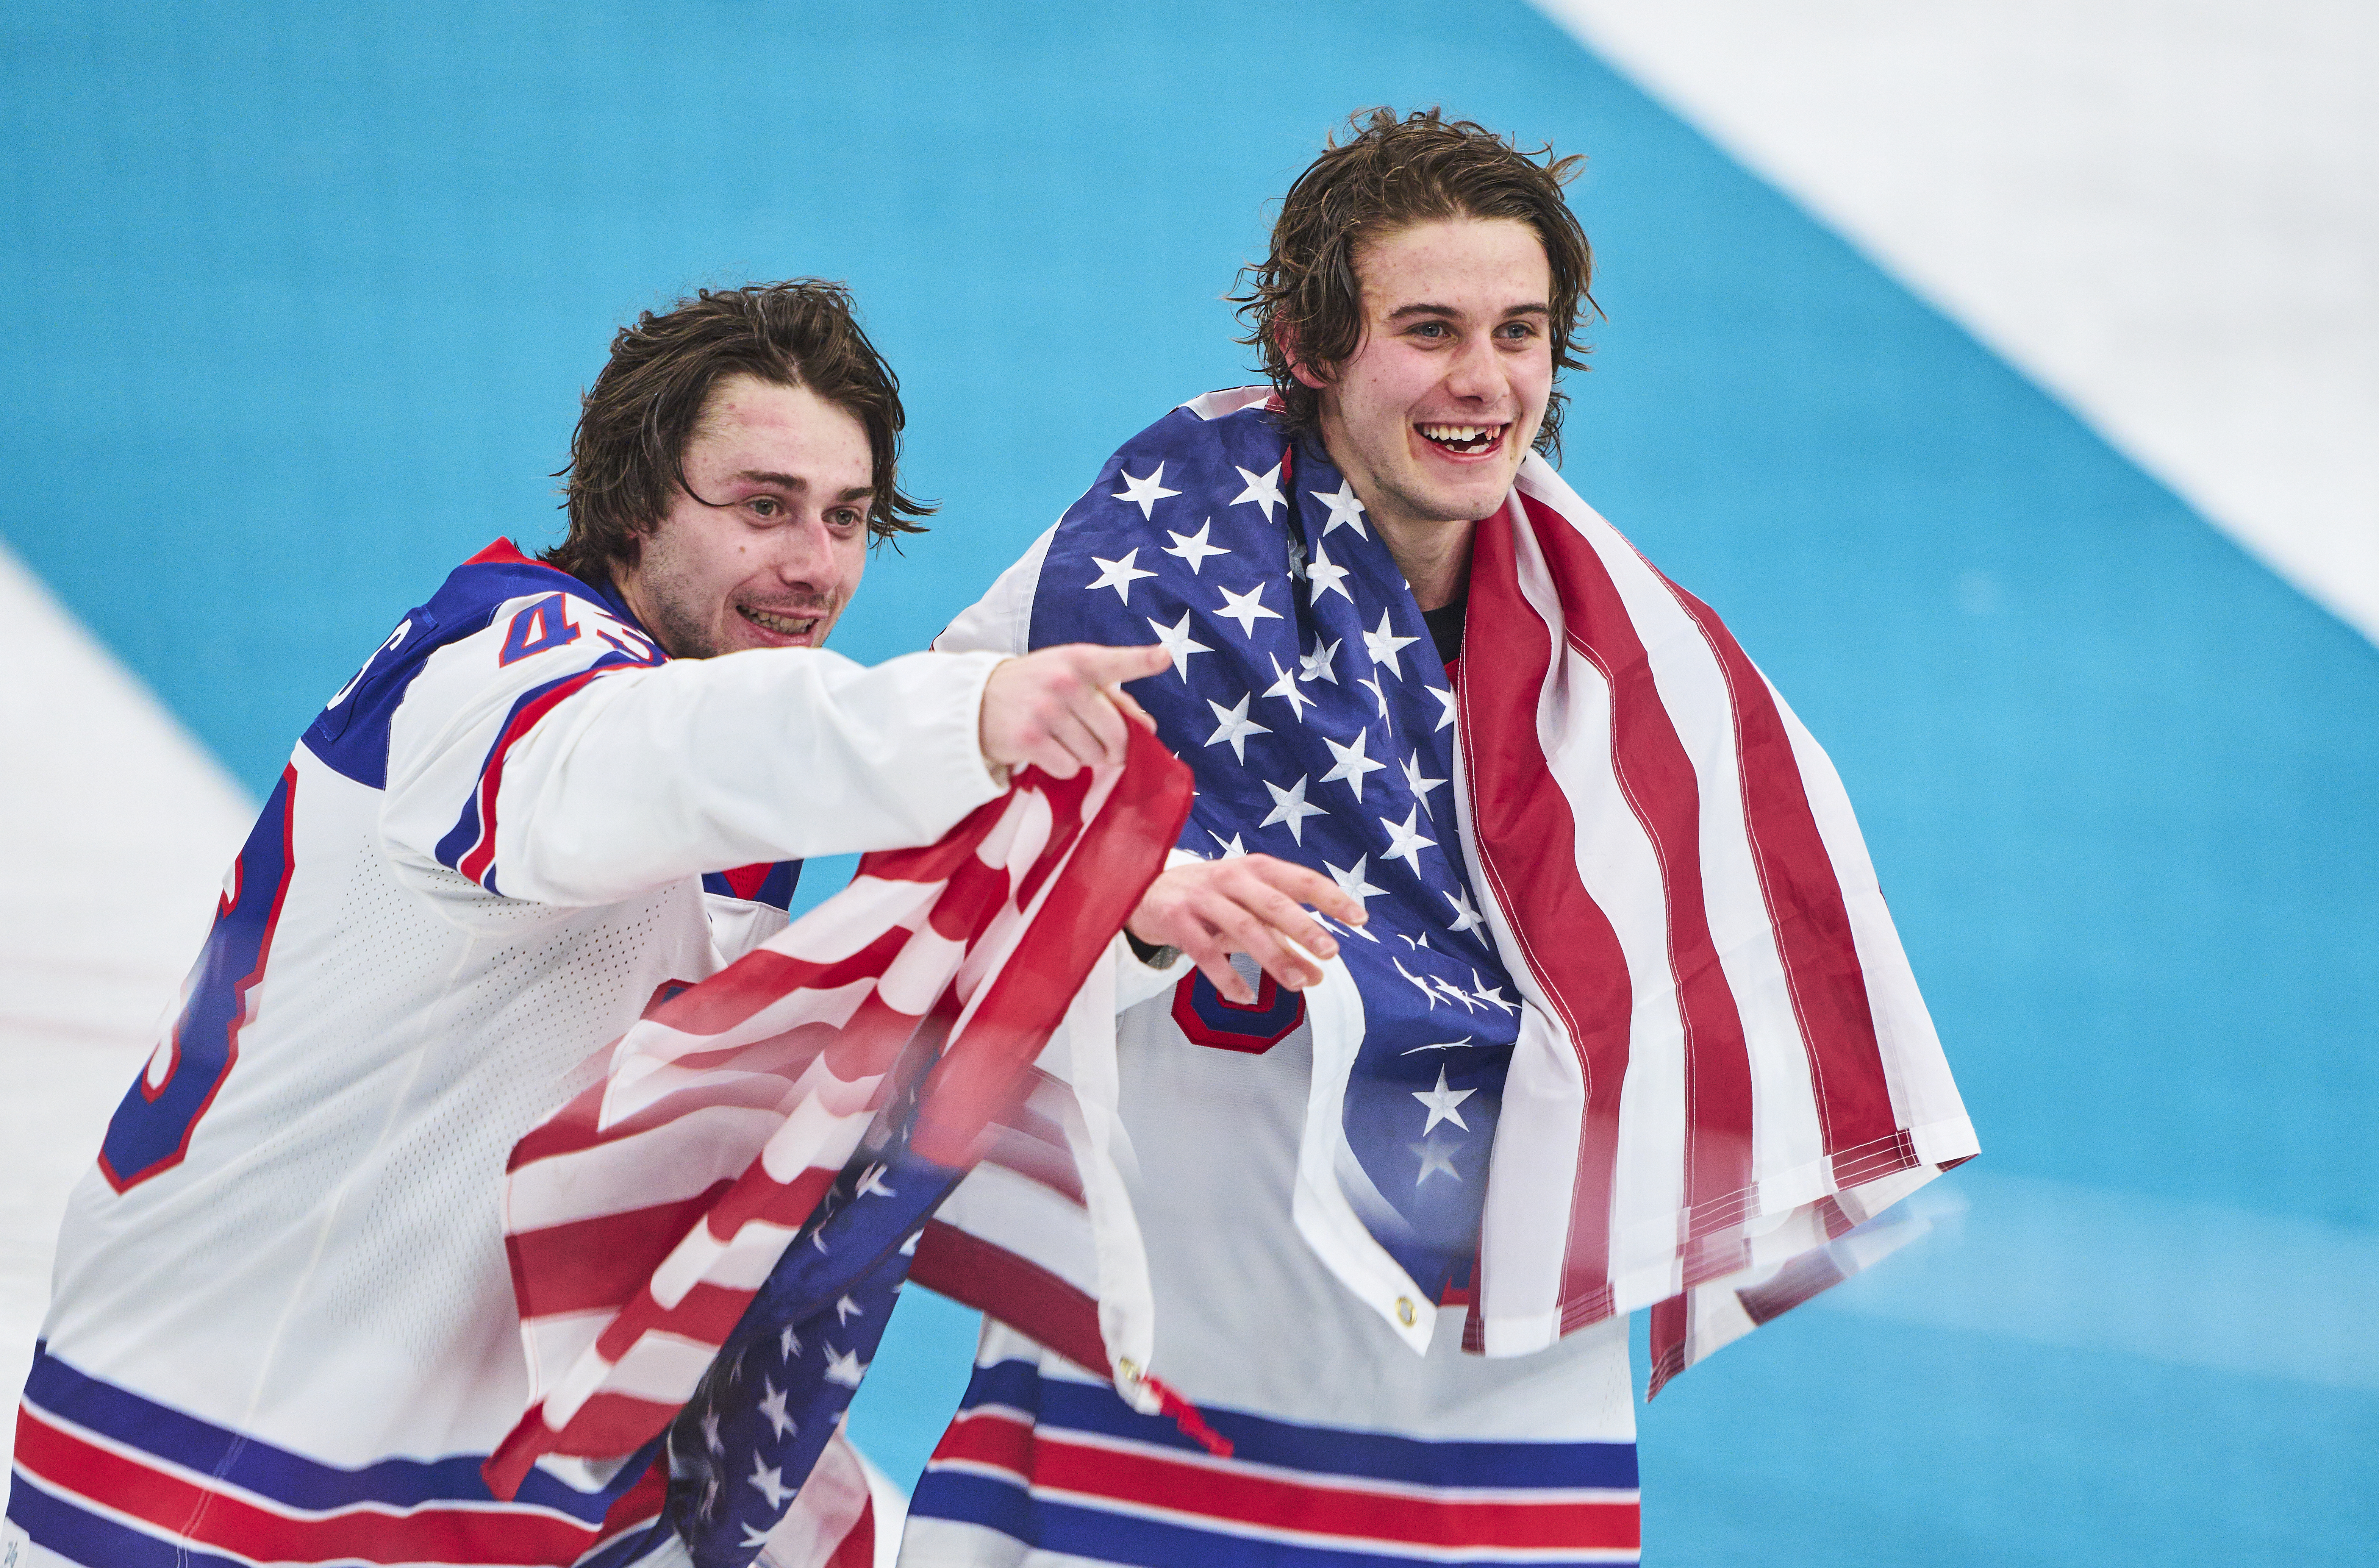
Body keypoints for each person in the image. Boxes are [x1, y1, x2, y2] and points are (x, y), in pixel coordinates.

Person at [900, 109, 1978, 1567]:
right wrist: (1135, 900)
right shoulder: (1130, 573)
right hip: (1167, 1372)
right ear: (1311, 347)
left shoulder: (1648, 670)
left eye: (1519, 330)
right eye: (1428, 328)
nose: (1483, 381)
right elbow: (924, 860)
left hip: (1495, 1383)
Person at [2, 280, 1170, 1568]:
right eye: (762, 506)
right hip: (239, 1468)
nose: (814, 563)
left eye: (845, 519)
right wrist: (966, 719)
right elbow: (636, 764)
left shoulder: (711, 737)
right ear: (629, 502)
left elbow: (836, 1031)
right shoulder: (507, 669)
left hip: (493, 1468)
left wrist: (1113, 909)